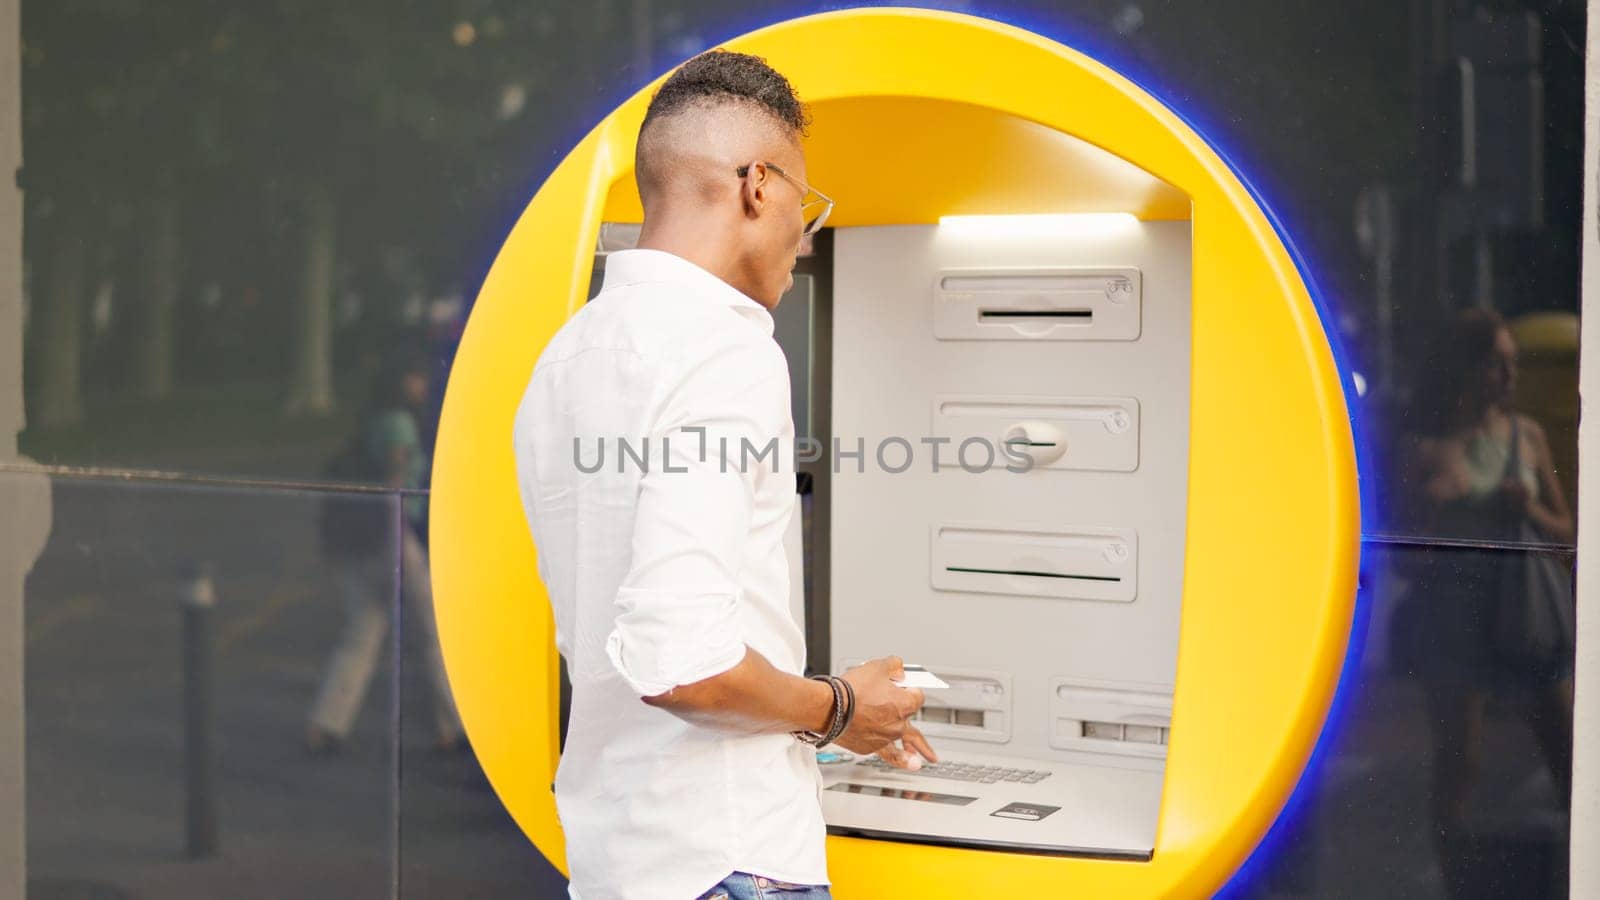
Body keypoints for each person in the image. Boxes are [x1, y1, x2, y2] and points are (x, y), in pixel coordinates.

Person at [513, 51, 934, 900]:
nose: (805, 235)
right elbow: (683, 663)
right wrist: (842, 707)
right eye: (805, 205)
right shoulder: (724, 351)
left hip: (617, 856)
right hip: (726, 859)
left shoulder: (566, 358)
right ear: (759, 187)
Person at [1398, 309, 1575, 891]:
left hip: (1527, 614)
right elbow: (1404, 555)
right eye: (1496, 362)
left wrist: (1527, 511)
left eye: (1512, 363)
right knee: (1459, 763)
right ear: (1467, 367)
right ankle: (1456, 885)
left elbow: (1567, 530)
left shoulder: (1529, 435)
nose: (1507, 374)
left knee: (1568, 752)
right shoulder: (1427, 449)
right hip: (1457, 623)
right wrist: (1437, 510)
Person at [308, 355, 464, 754]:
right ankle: (456, 726)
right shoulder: (399, 423)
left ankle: (327, 722)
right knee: (433, 633)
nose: (424, 384)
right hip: (393, 537)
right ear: (403, 381)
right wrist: (398, 537)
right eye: (418, 375)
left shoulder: (371, 422)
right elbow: (395, 480)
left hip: (362, 542)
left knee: (361, 632)